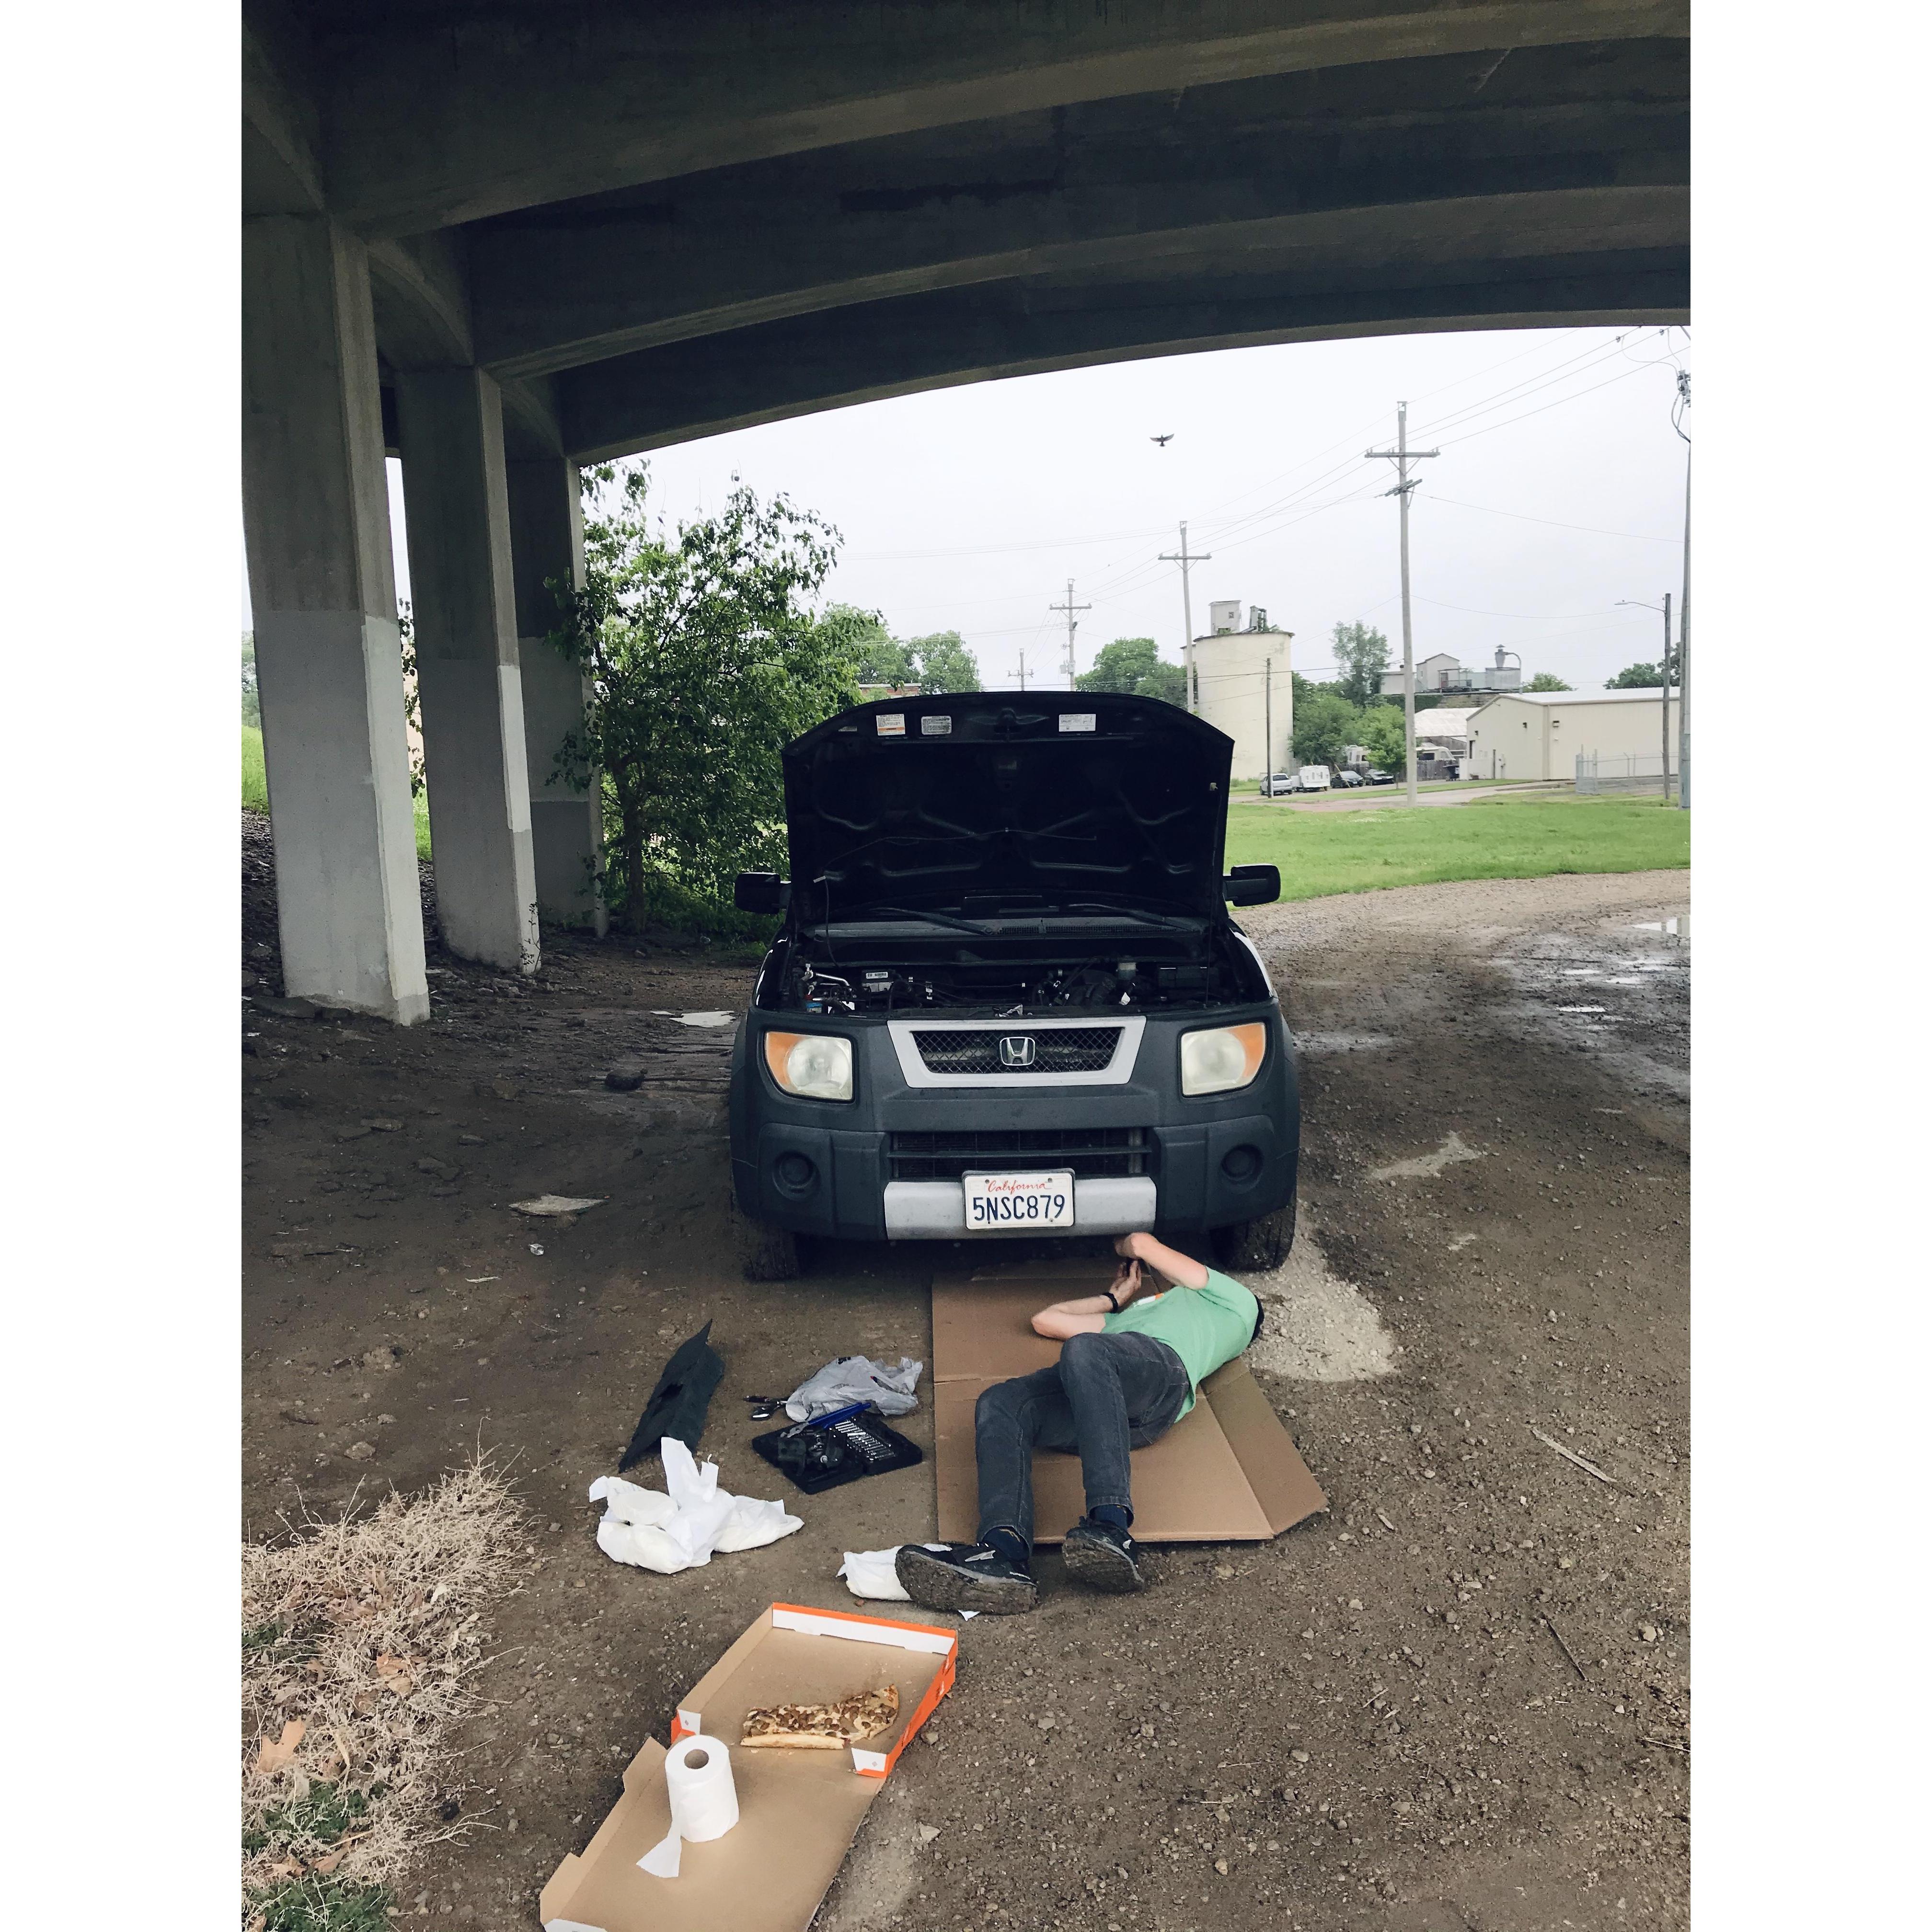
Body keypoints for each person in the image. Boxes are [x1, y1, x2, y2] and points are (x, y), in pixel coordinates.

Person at [895, 1229, 1263, 1614]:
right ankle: (1002, 1551)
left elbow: (1140, 1243)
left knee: (1085, 1349)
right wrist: (1113, 1299)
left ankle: (1112, 1526)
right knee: (1003, 1402)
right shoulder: (1129, 1320)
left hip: (1162, 1375)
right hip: (1109, 1402)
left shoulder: (1239, 1303)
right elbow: (1046, 1320)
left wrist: (1117, 1243)